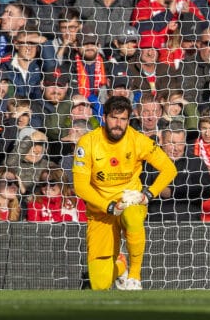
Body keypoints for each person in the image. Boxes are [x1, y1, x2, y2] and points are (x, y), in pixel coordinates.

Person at [72, 96, 177, 291]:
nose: (118, 124)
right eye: (114, 118)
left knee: (132, 216)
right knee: (99, 286)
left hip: (129, 202)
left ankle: (135, 277)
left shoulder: (138, 140)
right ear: (104, 117)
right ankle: (121, 266)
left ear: (129, 120)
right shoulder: (88, 142)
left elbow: (169, 169)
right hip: (101, 211)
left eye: (123, 119)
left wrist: (148, 194)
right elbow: (80, 186)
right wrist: (109, 207)